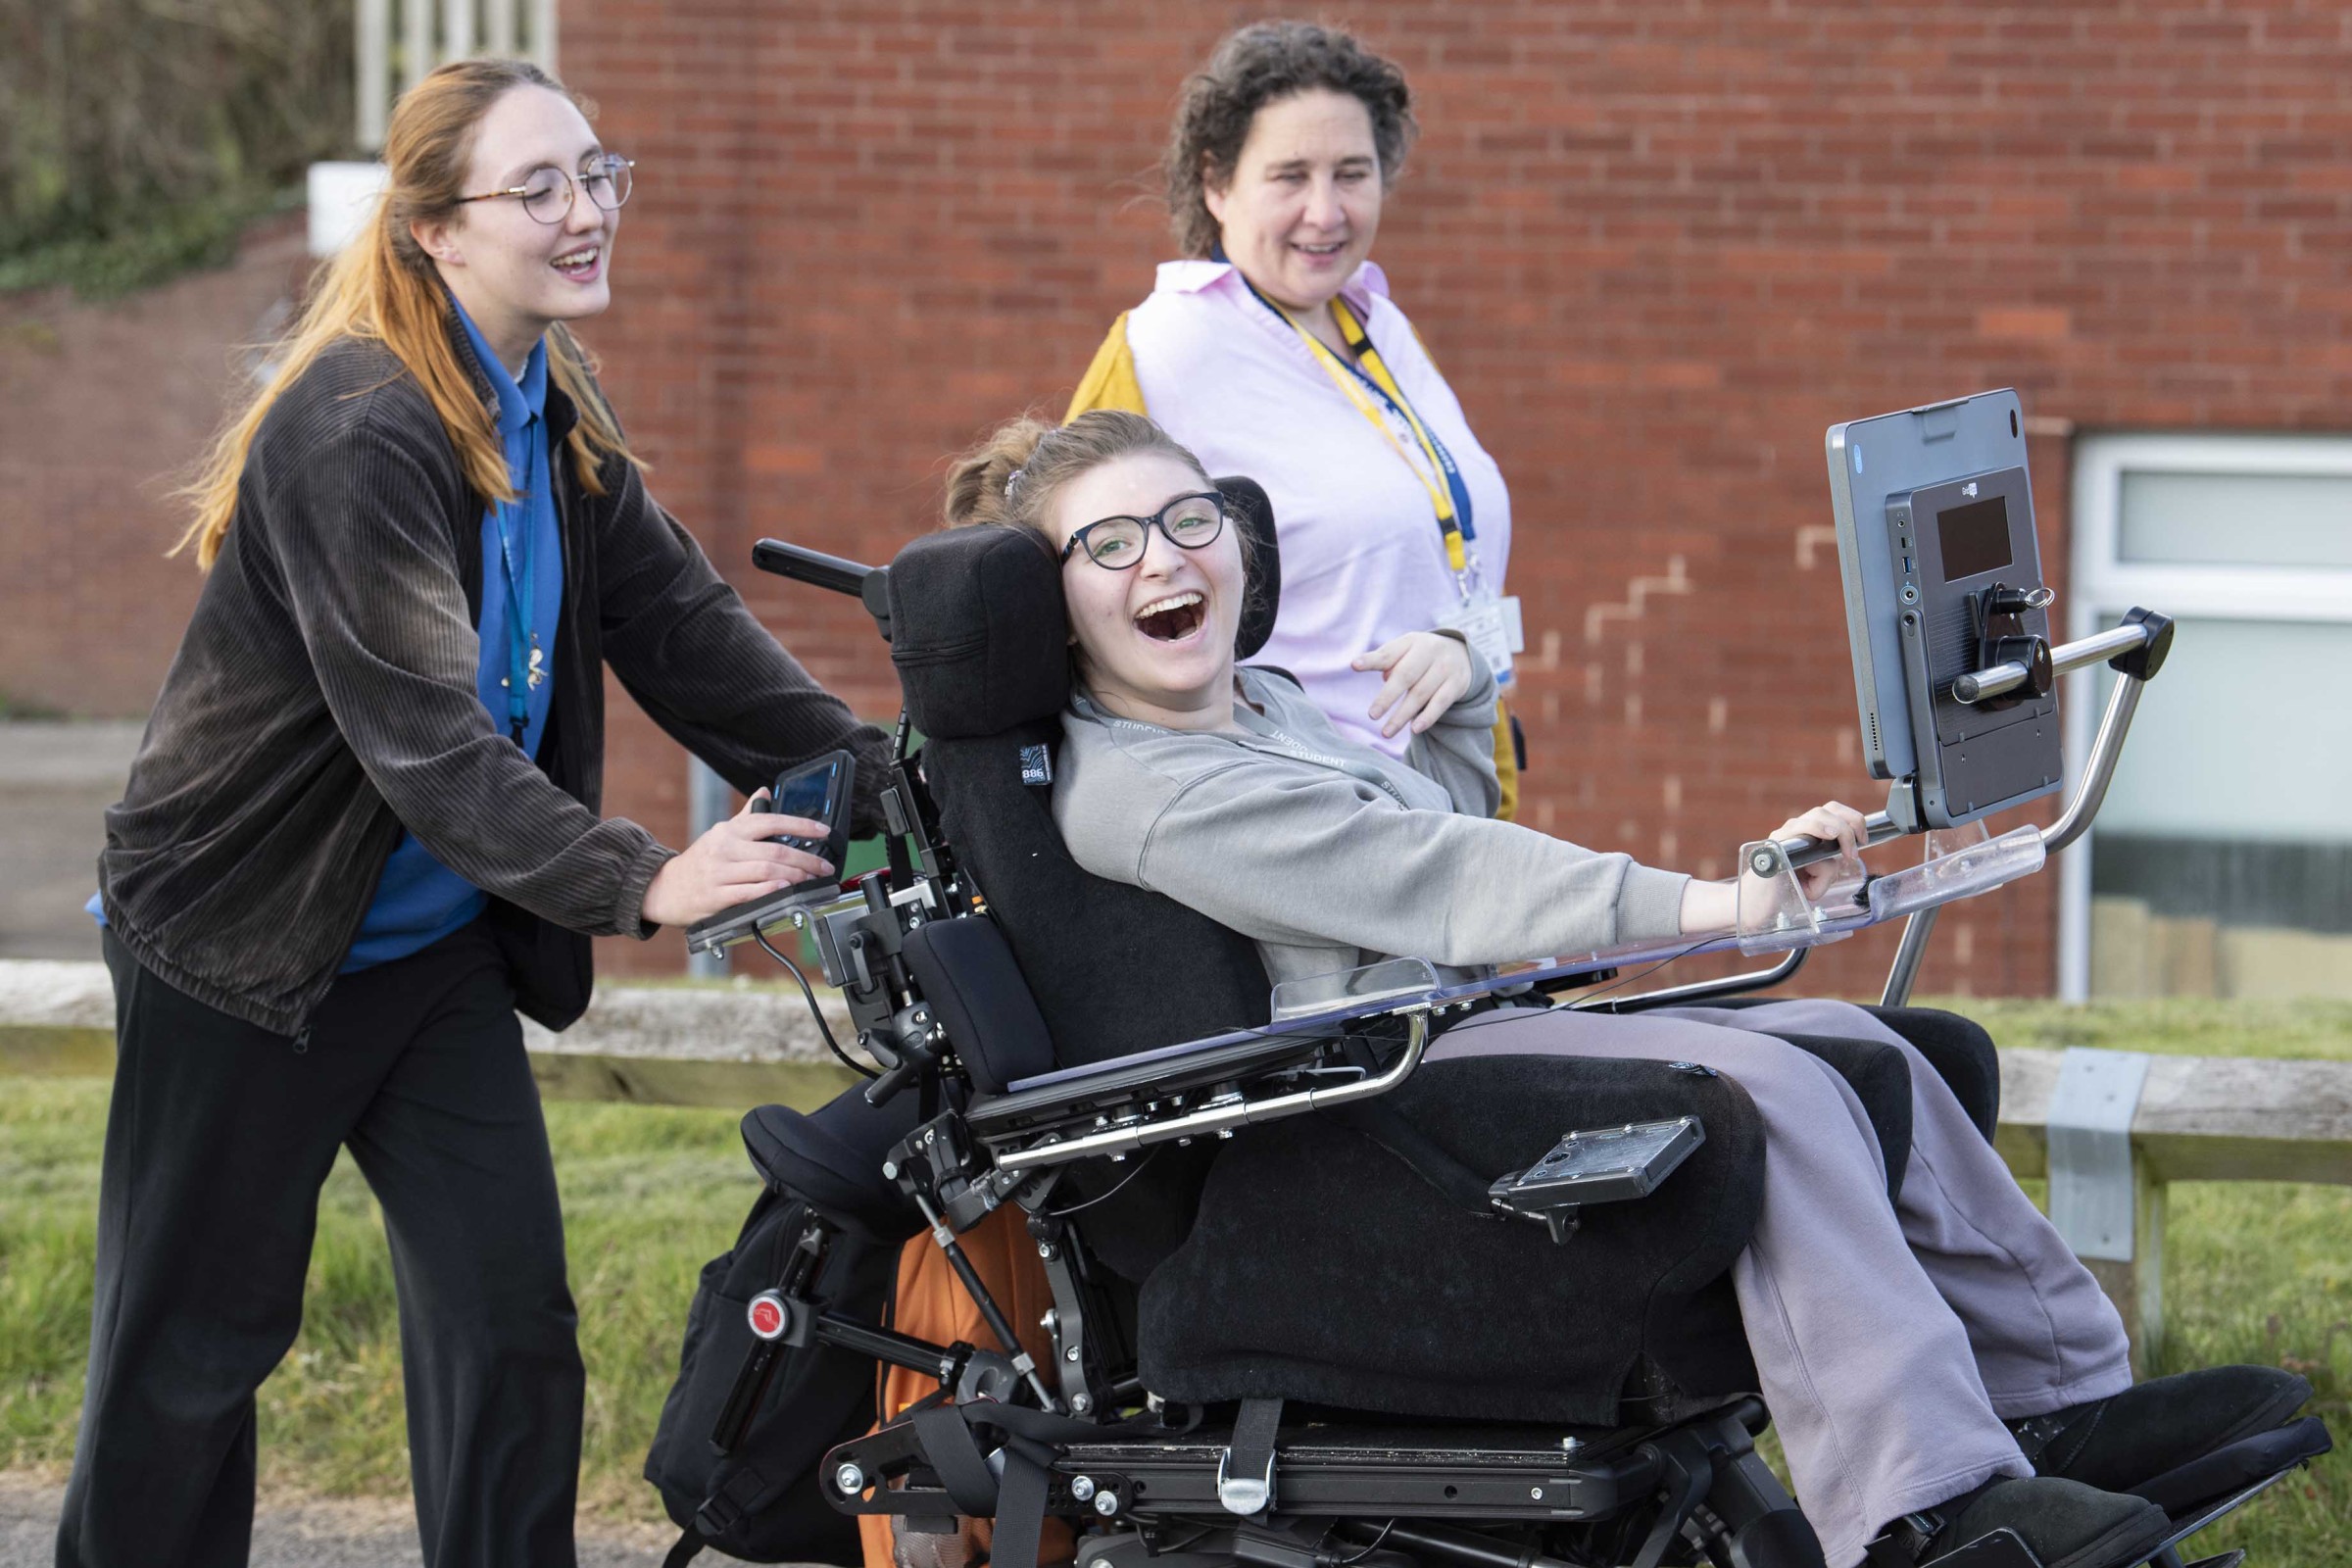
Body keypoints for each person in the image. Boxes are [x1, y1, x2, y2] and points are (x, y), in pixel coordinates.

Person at [928, 409, 2316, 1568]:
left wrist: (1465, 683)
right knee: (1754, 1087)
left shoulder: (1265, 706)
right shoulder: (1140, 794)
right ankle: (1916, 1511)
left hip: (1441, 1037)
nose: (1162, 560)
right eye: (1106, 545)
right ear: (1053, 603)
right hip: (1349, 1104)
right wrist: (1717, 902)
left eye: (1187, 522)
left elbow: (1431, 817)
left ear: (1237, 542)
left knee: (1863, 1042)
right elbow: (1435, 880)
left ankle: (2055, 1403)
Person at [59, 59, 890, 1568]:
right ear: (437, 229)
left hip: (429, 950)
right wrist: (643, 880)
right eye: (541, 188)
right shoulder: (358, 427)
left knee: (508, 1332)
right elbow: (426, 743)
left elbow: (681, 626)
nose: (588, 212)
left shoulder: (551, 403)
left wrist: (886, 772)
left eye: (599, 173)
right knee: (192, 1356)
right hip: (247, 952)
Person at [1065, 21, 1530, 817]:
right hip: (1320, 814)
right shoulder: (1164, 344)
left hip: (1450, 787)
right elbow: (1062, 573)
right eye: (1289, 176)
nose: (1326, 212)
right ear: (1216, 184)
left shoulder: (1377, 323)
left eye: (1353, 173)